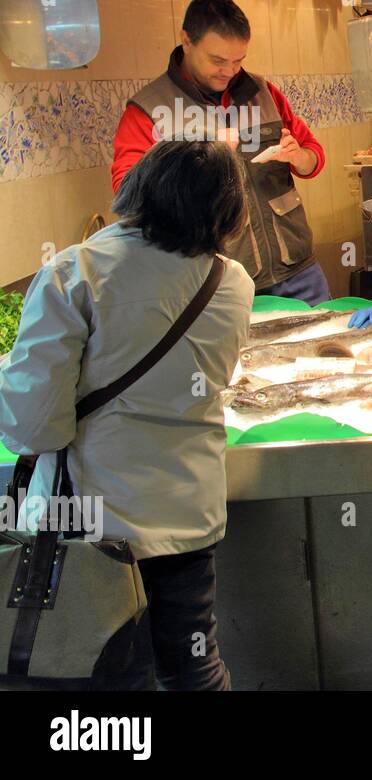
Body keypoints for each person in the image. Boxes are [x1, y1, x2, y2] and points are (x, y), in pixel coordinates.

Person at [0, 139, 254, 690]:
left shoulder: (77, 271)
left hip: (94, 523)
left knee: (104, 673)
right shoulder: (232, 281)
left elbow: (33, 425)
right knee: (193, 667)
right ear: (228, 209)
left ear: (138, 187)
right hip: (186, 517)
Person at [111, 0, 330, 304]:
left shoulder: (262, 92)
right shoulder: (149, 109)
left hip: (297, 270)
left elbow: (313, 156)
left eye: (238, 60)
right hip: (215, 281)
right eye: (217, 60)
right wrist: (201, 157)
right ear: (186, 41)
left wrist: (299, 157)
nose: (229, 71)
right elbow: (129, 196)